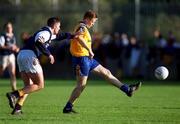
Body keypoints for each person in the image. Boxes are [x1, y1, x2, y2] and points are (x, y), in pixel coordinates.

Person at [63, 10, 141, 114]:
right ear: (87, 19)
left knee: (106, 72)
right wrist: (89, 50)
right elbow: (79, 37)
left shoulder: (84, 27)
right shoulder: (81, 27)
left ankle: (128, 90)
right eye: (93, 21)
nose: (93, 24)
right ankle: (68, 107)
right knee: (81, 86)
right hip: (81, 60)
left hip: (87, 59)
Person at [6, 17, 74, 115]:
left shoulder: (48, 33)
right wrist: (49, 54)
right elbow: (39, 42)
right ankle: (14, 94)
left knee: (28, 87)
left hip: (21, 55)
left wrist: (72, 35)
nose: (59, 28)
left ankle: (17, 108)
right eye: (58, 26)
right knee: (40, 85)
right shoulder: (46, 33)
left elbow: (60, 36)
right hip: (29, 56)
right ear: (54, 26)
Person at [0, 22, 19, 91]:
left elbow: (14, 45)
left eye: (10, 27)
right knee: (1, 70)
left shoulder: (13, 36)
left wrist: (16, 48)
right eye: (7, 27)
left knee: (13, 73)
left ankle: (14, 88)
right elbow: (1, 46)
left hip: (11, 56)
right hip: (4, 56)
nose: (9, 28)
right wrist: (9, 48)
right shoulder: (3, 36)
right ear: (5, 28)